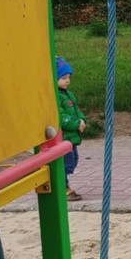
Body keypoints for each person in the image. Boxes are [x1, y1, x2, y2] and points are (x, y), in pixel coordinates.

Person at [55, 56, 86, 201]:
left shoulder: (68, 94)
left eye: (68, 77)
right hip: (64, 137)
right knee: (66, 163)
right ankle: (62, 187)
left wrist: (82, 119)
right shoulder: (56, 97)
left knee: (73, 161)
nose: (67, 81)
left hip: (71, 137)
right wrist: (75, 124)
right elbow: (60, 118)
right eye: (63, 78)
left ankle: (63, 185)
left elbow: (76, 109)